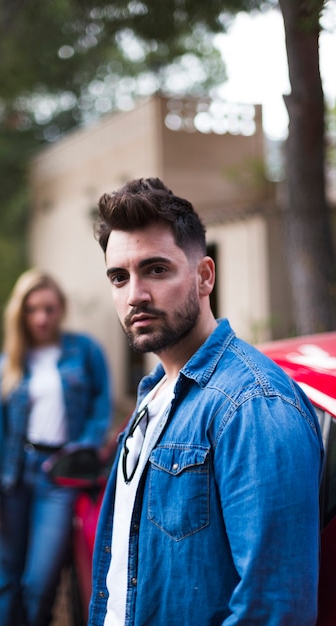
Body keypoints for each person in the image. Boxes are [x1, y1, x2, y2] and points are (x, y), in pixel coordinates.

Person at [88, 178, 324, 626]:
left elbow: (275, 609)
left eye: (156, 269)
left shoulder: (253, 405)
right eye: (119, 276)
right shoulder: (154, 394)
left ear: (204, 276)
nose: (134, 294)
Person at [0, 268, 112, 626]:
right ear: (20, 313)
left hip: (60, 476)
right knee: (8, 580)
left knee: (38, 583)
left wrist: (85, 446)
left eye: (49, 308)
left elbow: (101, 408)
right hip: (14, 476)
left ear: (61, 309)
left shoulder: (84, 351)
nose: (42, 317)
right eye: (33, 309)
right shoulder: (7, 365)